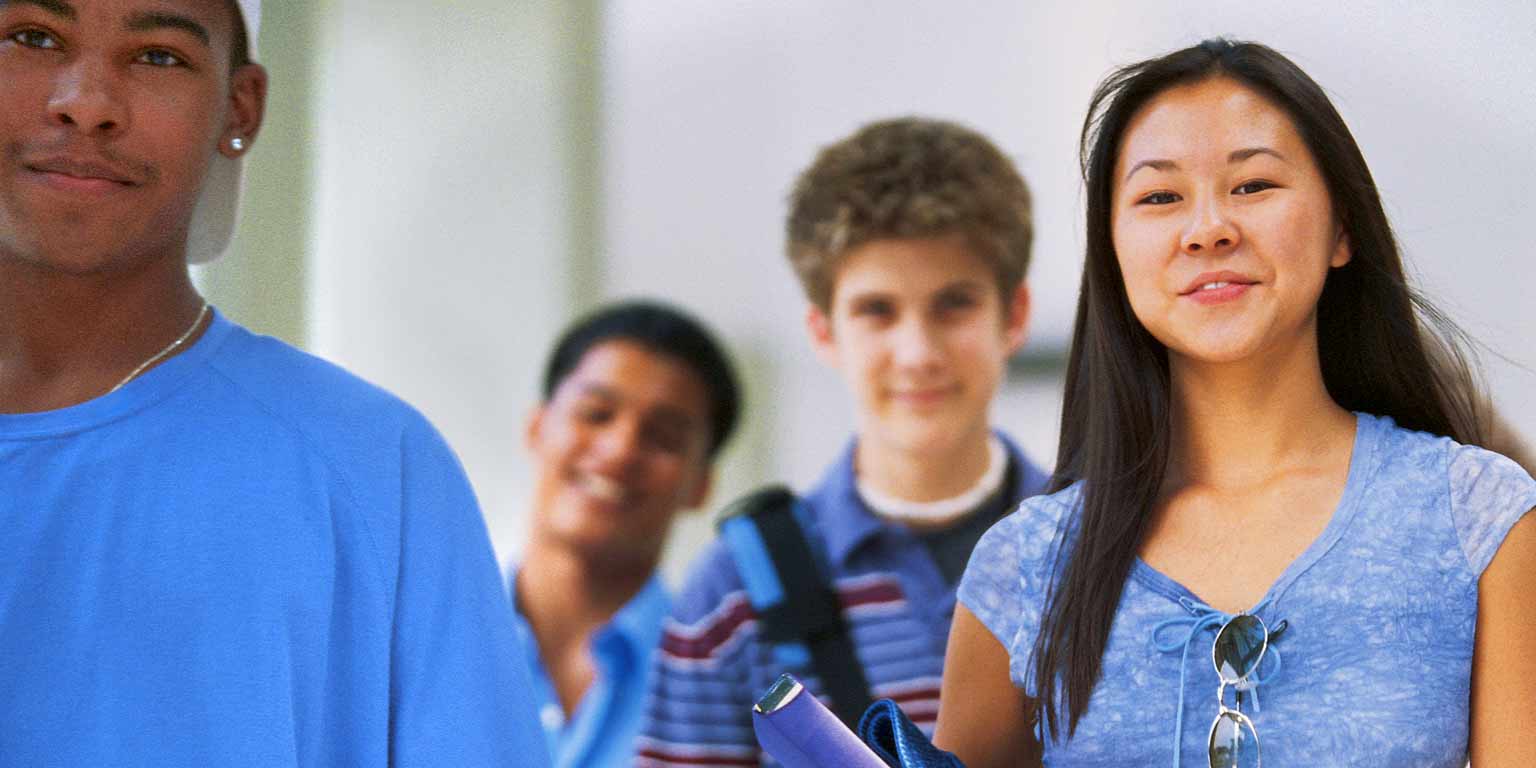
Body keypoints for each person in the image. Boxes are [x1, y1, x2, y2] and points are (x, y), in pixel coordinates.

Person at [936, 39, 1536, 767]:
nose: (1209, 228)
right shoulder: (1026, 565)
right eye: (1160, 197)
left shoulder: (1479, 518)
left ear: (1342, 227)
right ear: (1113, 252)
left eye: (1253, 186)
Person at [0, 1, 549, 765]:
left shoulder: (374, 469)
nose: (86, 104)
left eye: (158, 55)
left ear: (240, 107)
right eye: (32, 38)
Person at [638, 117, 1051, 767]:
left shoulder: (1116, 557)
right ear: (823, 330)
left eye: (953, 304)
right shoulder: (730, 595)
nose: (917, 354)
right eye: (877, 311)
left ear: (1016, 314)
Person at [511, 300, 741, 768]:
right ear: (537, 427)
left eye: (663, 437)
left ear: (700, 485)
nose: (620, 451)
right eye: (596, 414)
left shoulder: (727, 687)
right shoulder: (411, 644)